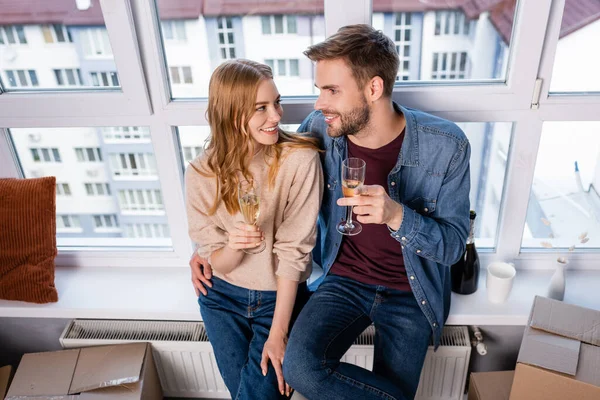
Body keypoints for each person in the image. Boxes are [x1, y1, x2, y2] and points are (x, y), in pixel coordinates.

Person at [191, 24, 471, 400]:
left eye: (331, 91)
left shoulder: (447, 145)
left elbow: (454, 247)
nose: (319, 104)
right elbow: (259, 158)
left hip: (411, 290)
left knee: (387, 391)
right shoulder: (320, 131)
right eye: (319, 90)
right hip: (343, 282)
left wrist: (395, 216)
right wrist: (209, 247)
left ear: (373, 88)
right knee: (299, 367)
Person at [185, 59, 323, 400]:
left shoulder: (299, 160)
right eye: (261, 108)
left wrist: (279, 333)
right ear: (232, 114)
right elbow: (217, 260)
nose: (276, 115)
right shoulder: (201, 174)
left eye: (276, 102)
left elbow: (294, 252)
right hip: (220, 297)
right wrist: (234, 246)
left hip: (280, 296)